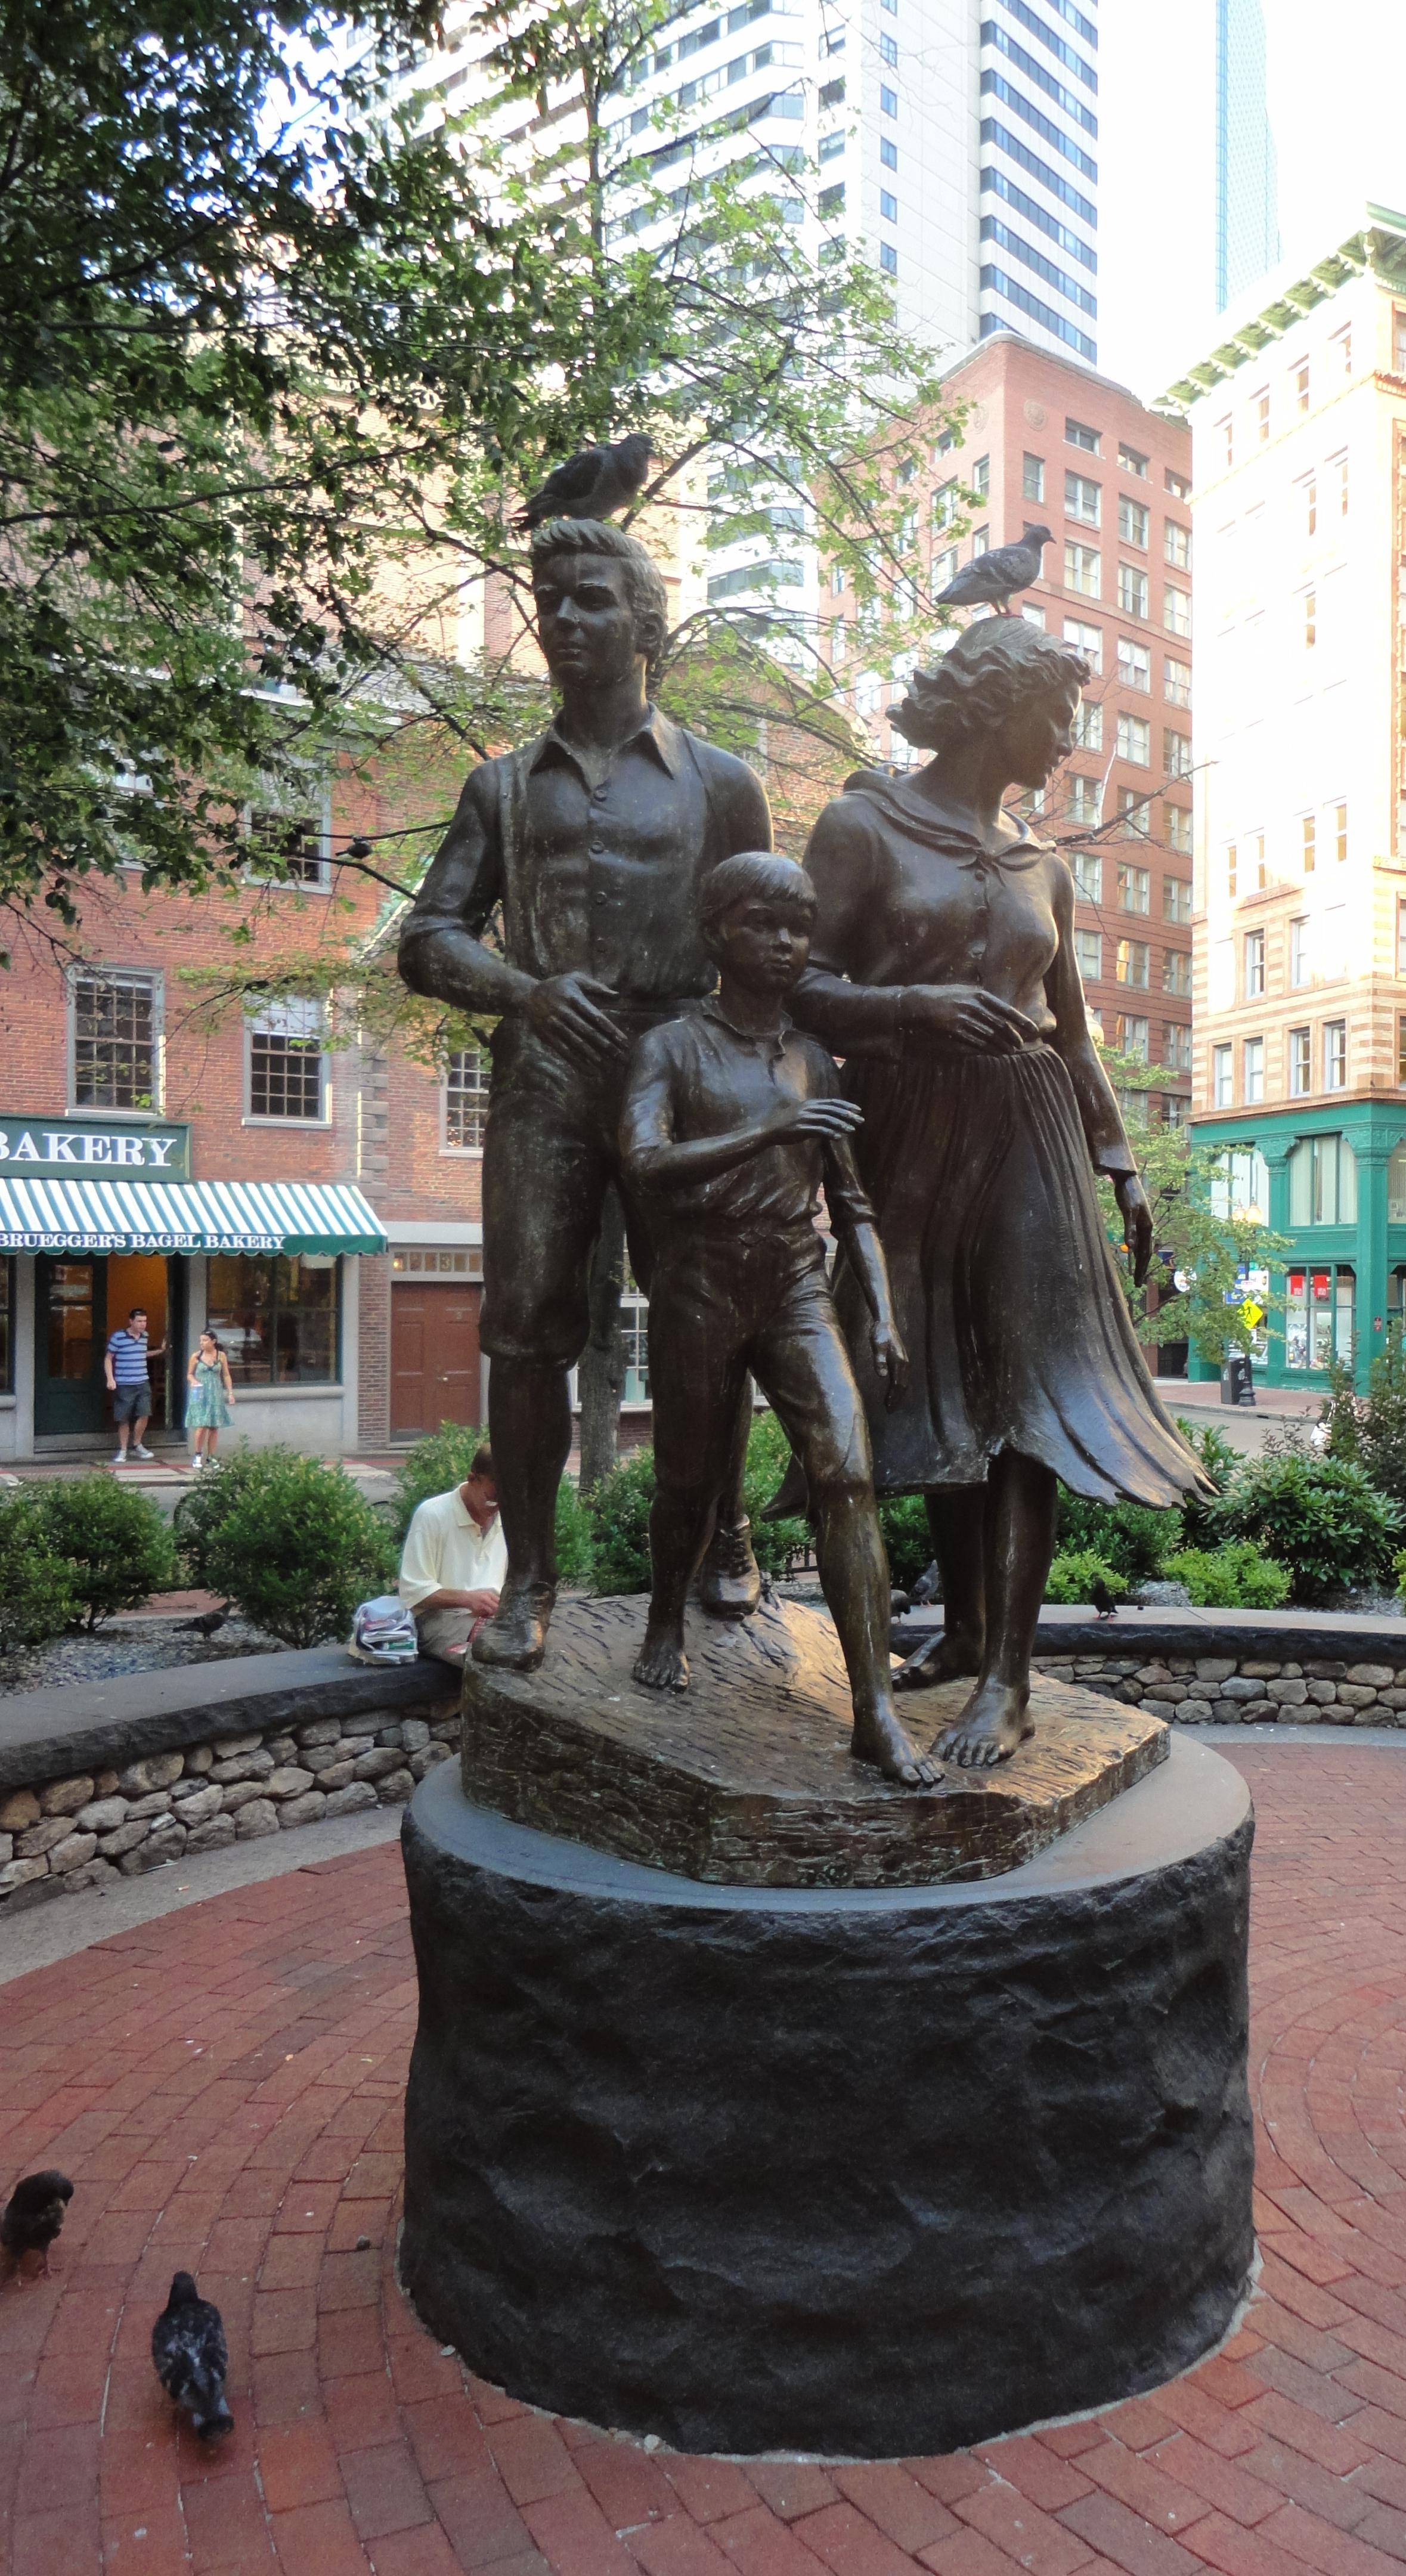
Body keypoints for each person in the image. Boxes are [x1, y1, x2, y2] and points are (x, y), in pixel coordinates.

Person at [793, 617, 1209, 1769]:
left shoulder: (1045, 867)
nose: (1069, 739)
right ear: (997, 707)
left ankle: (1010, 1679)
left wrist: (1120, 1165)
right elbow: (799, 986)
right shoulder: (863, 826)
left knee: (1030, 1387)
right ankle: (969, 1628)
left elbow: (1070, 1034)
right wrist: (909, 1008)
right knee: (933, 1384)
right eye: (1059, 714)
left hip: (1029, 1129)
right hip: (907, 1124)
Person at [398, 514, 773, 1673]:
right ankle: (531, 1582)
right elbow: (427, 937)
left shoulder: (723, 783)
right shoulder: (502, 787)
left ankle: (725, 1535)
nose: (564, 617)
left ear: (646, 622)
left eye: (593, 597)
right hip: (547, 1076)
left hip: (688, 1067)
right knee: (524, 1333)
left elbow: (765, 946)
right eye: (550, 598)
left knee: (711, 1315)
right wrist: (526, 990)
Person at [620, 853, 940, 1789]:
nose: (786, 943)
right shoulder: (672, 1048)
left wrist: (882, 1316)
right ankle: (665, 1620)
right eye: (763, 924)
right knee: (686, 1482)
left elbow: (855, 1206)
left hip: (796, 1282)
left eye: (799, 927)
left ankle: (873, 1713)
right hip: (700, 1281)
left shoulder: (813, 1059)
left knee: (848, 1474)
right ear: (716, 931)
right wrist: (768, 1130)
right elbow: (644, 1161)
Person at [398, 1445, 509, 1665]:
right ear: (472, 1479)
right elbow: (413, 1592)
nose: (496, 1508)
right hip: (439, 1618)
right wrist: (468, 1599)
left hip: (493, 1616)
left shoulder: (508, 1516)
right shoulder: (432, 1514)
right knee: (496, 1649)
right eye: (491, 1499)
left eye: (505, 1501)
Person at [106, 1307, 166, 1465]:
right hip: (124, 1383)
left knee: (145, 1413)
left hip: (142, 1382)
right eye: (139, 1321)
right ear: (131, 1321)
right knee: (124, 1418)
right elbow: (108, 1358)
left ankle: (137, 1444)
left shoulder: (145, 1336)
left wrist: (159, 1351)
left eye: (145, 1321)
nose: (143, 1324)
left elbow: (141, 1354)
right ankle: (123, 1450)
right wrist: (111, 1379)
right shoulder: (118, 1337)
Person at [182, 1329, 234, 1467]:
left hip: (215, 1393)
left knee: (214, 1427)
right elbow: (189, 1374)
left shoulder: (221, 1356)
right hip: (200, 1393)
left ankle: (211, 1457)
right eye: (201, 1340)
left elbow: (226, 1375)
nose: (202, 1343)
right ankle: (198, 1455)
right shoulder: (196, 1356)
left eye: (205, 1340)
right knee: (201, 1426)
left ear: (213, 1342)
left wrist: (230, 1393)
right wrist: (194, 1381)